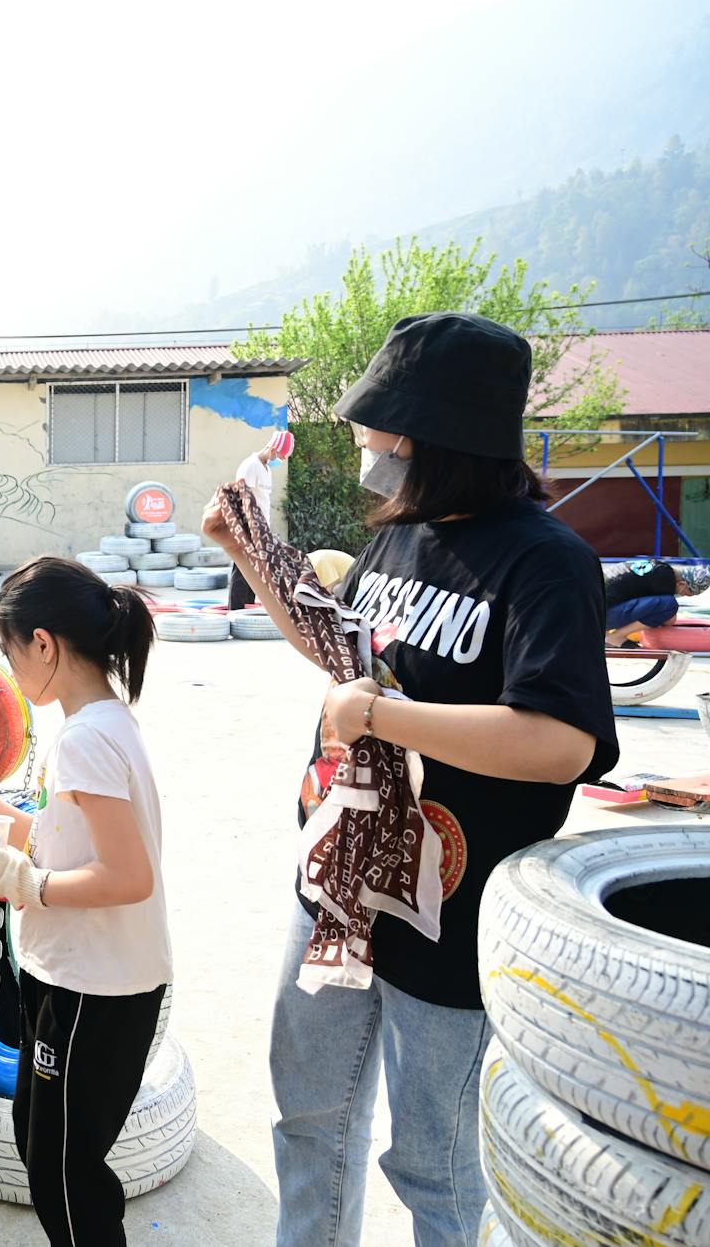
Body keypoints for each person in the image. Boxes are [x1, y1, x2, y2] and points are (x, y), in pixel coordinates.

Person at [203, 312, 617, 1247]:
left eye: (378, 430)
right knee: (310, 1121)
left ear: (436, 436)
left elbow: (561, 741)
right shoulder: (402, 535)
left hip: (451, 917)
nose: (365, 446)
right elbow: (340, 648)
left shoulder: (546, 563)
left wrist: (384, 717)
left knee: (433, 1163)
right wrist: (247, 552)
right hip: (339, 894)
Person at [0, 556, 170, 1247]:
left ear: (44, 643)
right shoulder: (91, 724)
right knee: (40, 1143)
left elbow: (128, 876)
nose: (9, 670)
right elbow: (53, 836)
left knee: (66, 1173)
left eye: (10, 652)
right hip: (66, 976)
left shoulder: (86, 738)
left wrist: (19, 881)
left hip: (96, 992)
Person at [227, 430, 294, 609]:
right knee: (242, 570)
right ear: (273, 449)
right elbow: (241, 497)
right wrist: (249, 527)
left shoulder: (265, 469)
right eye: (280, 455)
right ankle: (236, 610)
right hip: (248, 526)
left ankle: (247, 608)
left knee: (255, 572)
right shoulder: (250, 466)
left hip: (261, 528)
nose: (280, 460)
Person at [603, 558, 688, 645]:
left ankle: (606, 634)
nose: (682, 595)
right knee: (669, 605)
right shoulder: (666, 580)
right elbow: (669, 620)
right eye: (686, 593)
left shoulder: (657, 569)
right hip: (600, 617)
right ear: (681, 584)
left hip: (593, 613)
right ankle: (616, 636)